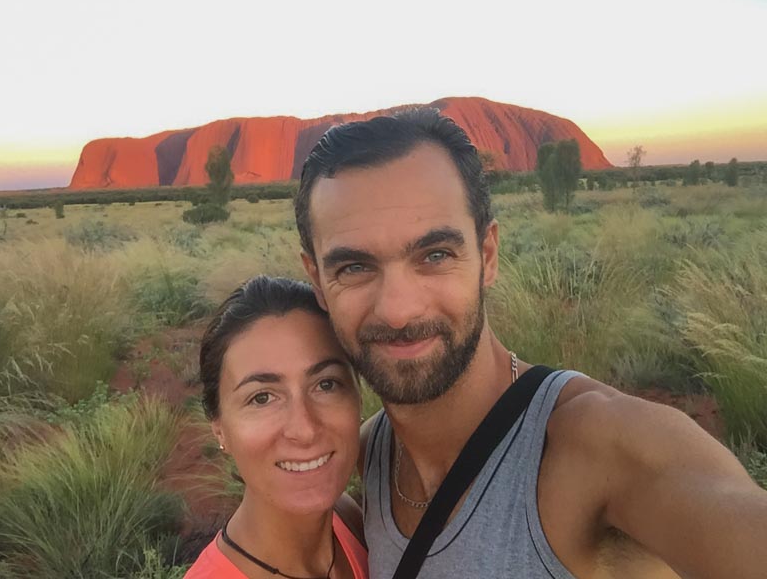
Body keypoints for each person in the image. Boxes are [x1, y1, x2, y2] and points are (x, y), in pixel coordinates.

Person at [294, 109, 767, 578]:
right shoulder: (365, 455)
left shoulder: (597, 444)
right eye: (354, 268)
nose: (398, 309)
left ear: (488, 255)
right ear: (317, 279)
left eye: (434, 255)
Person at [184, 275, 368, 579]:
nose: (305, 429)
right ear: (219, 428)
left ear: (359, 396)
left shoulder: (348, 520)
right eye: (262, 398)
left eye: (326, 384)